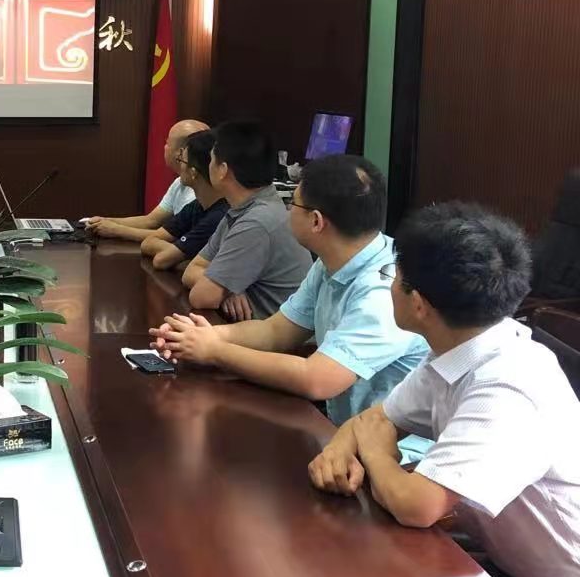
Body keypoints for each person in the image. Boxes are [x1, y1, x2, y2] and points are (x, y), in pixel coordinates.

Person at [309, 203, 580, 577]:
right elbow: (376, 419)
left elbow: (418, 506)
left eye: (393, 276)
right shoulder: (461, 347)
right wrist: (337, 452)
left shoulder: (506, 385)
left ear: (418, 304)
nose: (389, 285)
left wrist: (375, 454)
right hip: (505, 560)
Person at [151, 155, 431, 448]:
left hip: (398, 459)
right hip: (342, 437)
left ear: (316, 221)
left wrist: (215, 351)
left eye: (293, 203)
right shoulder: (332, 260)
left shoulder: (382, 292)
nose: (286, 211)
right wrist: (202, 336)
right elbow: (276, 331)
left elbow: (317, 379)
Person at [179, 120, 311, 319]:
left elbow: (201, 297)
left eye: (211, 160)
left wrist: (222, 288)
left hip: (273, 335)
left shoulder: (257, 222)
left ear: (223, 170)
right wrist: (230, 289)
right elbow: (191, 270)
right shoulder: (240, 209)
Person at [84, 119, 209, 242]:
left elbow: (177, 238)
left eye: (167, 143)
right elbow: (151, 221)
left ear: (181, 152)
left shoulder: (199, 193)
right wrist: (105, 222)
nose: (164, 147)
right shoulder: (180, 183)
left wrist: (116, 230)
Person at [138, 129, 228, 271]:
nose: (179, 166)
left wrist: (178, 254)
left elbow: (161, 260)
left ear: (193, 172)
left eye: (181, 161)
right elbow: (148, 242)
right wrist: (183, 255)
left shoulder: (220, 215)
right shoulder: (197, 205)